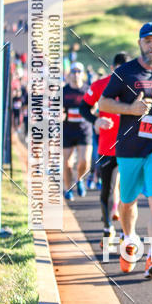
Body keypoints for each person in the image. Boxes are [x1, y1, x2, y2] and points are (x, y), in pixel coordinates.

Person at [98, 23, 152, 278]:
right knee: (127, 202)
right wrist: (129, 109)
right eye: (148, 40)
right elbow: (103, 102)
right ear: (140, 44)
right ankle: (129, 237)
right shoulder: (126, 72)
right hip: (129, 147)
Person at [80, 52, 129, 247]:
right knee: (107, 188)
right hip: (107, 147)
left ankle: (127, 231)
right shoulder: (100, 85)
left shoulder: (135, 87)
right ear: (112, 68)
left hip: (130, 147)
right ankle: (108, 228)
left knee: (127, 190)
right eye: (119, 70)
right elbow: (84, 107)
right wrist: (96, 120)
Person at [63, 62, 93, 200]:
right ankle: (68, 188)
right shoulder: (64, 91)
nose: (76, 74)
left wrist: (92, 113)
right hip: (67, 130)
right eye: (73, 71)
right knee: (67, 163)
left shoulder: (88, 90)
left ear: (82, 74)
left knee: (84, 161)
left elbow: (95, 107)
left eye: (78, 71)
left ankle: (80, 180)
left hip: (84, 130)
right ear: (69, 74)